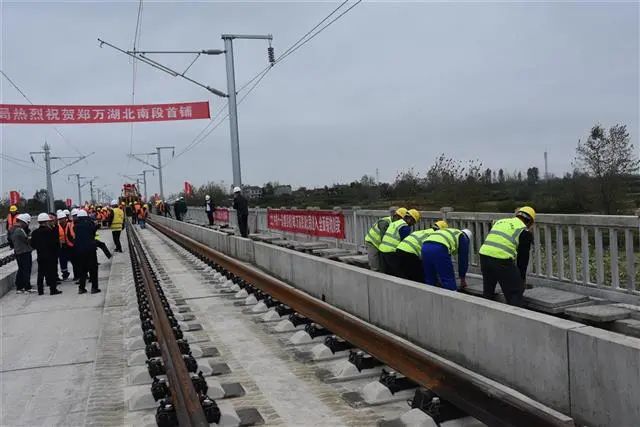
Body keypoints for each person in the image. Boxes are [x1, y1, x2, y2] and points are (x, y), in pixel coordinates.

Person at [479, 206, 535, 307]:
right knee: (515, 292)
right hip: (501, 260)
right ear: (530, 222)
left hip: (484, 255)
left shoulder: (501, 222)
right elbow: (522, 260)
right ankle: (515, 316)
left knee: (488, 290)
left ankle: (486, 315)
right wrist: (521, 280)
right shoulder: (524, 231)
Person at [378, 209, 421, 275]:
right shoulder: (405, 227)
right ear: (410, 219)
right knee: (398, 274)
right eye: (414, 222)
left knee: (385, 274)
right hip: (391, 252)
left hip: (382, 250)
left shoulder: (395, 223)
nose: (412, 225)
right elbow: (404, 243)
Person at [364, 207, 407, 272]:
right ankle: (374, 275)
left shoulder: (395, 224)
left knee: (381, 264)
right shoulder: (385, 222)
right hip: (372, 242)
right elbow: (384, 237)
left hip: (380, 244)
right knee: (374, 263)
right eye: (401, 219)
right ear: (396, 216)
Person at [31, 213, 62, 295]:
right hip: (51, 256)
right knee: (52, 273)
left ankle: (40, 291)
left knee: (40, 273)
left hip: (41, 255)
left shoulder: (34, 233)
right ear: (46, 222)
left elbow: (32, 245)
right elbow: (55, 244)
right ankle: (53, 290)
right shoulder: (50, 232)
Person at [74, 209, 100, 294]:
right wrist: (96, 226)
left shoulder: (76, 226)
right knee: (93, 269)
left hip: (80, 251)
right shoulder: (90, 224)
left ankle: (81, 288)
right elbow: (92, 232)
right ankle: (94, 288)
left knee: (82, 270)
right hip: (90, 249)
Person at [9, 213, 34, 294]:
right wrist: (30, 238)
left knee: (21, 269)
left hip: (18, 251)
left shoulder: (12, 229)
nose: (27, 225)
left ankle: (19, 286)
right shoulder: (19, 230)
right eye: (26, 223)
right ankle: (27, 287)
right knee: (26, 269)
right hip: (24, 252)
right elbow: (26, 240)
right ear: (22, 222)